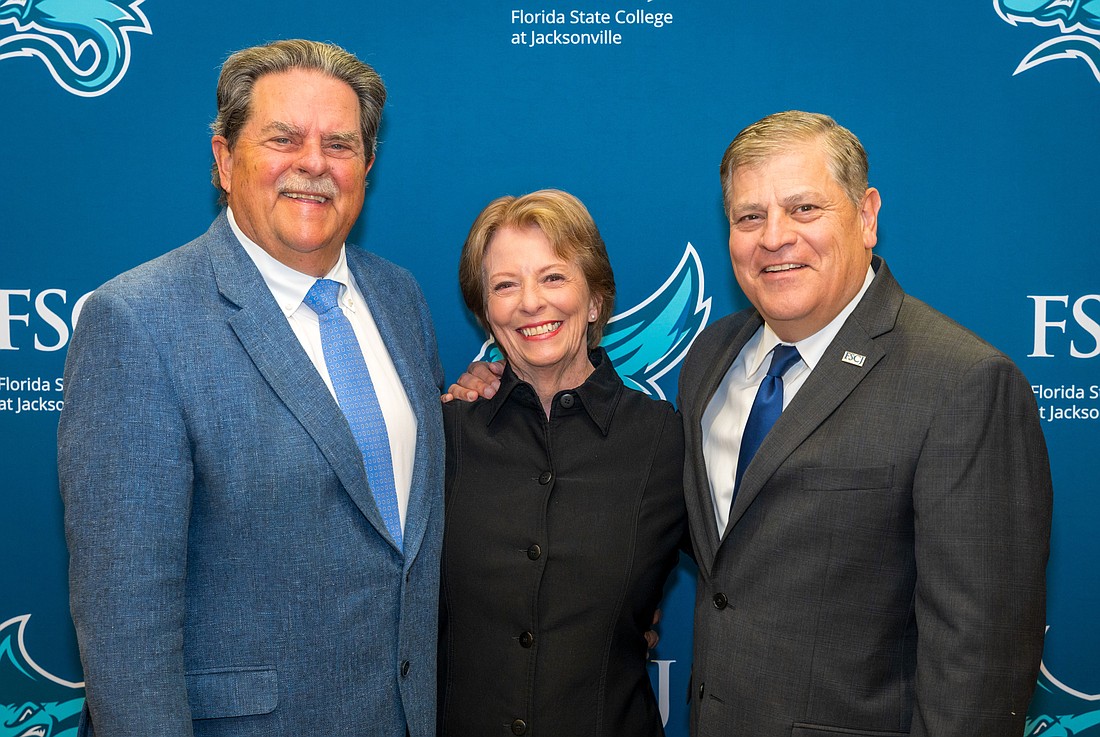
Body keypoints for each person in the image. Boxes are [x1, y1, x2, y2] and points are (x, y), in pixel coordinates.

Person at [448, 112, 1053, 737]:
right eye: (749, 217)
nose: (775, 238)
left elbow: (979, 660)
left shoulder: (961, 382)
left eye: (804, 208)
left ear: (867, 216)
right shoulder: (712, 361)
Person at [57, 40, 444, 737]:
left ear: (367, 166)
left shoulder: (401, 298)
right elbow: (125, 626)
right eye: (283, 139)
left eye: (339, 143)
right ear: (224, 159)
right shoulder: (137, 322)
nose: (314, 164)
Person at [437, 189, 687, 737]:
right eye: (505, 285)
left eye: (553, 277)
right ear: (485, 313)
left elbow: (741, 587)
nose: (531, 302)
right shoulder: (441, 437)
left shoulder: (667, 443)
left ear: (596, 299)